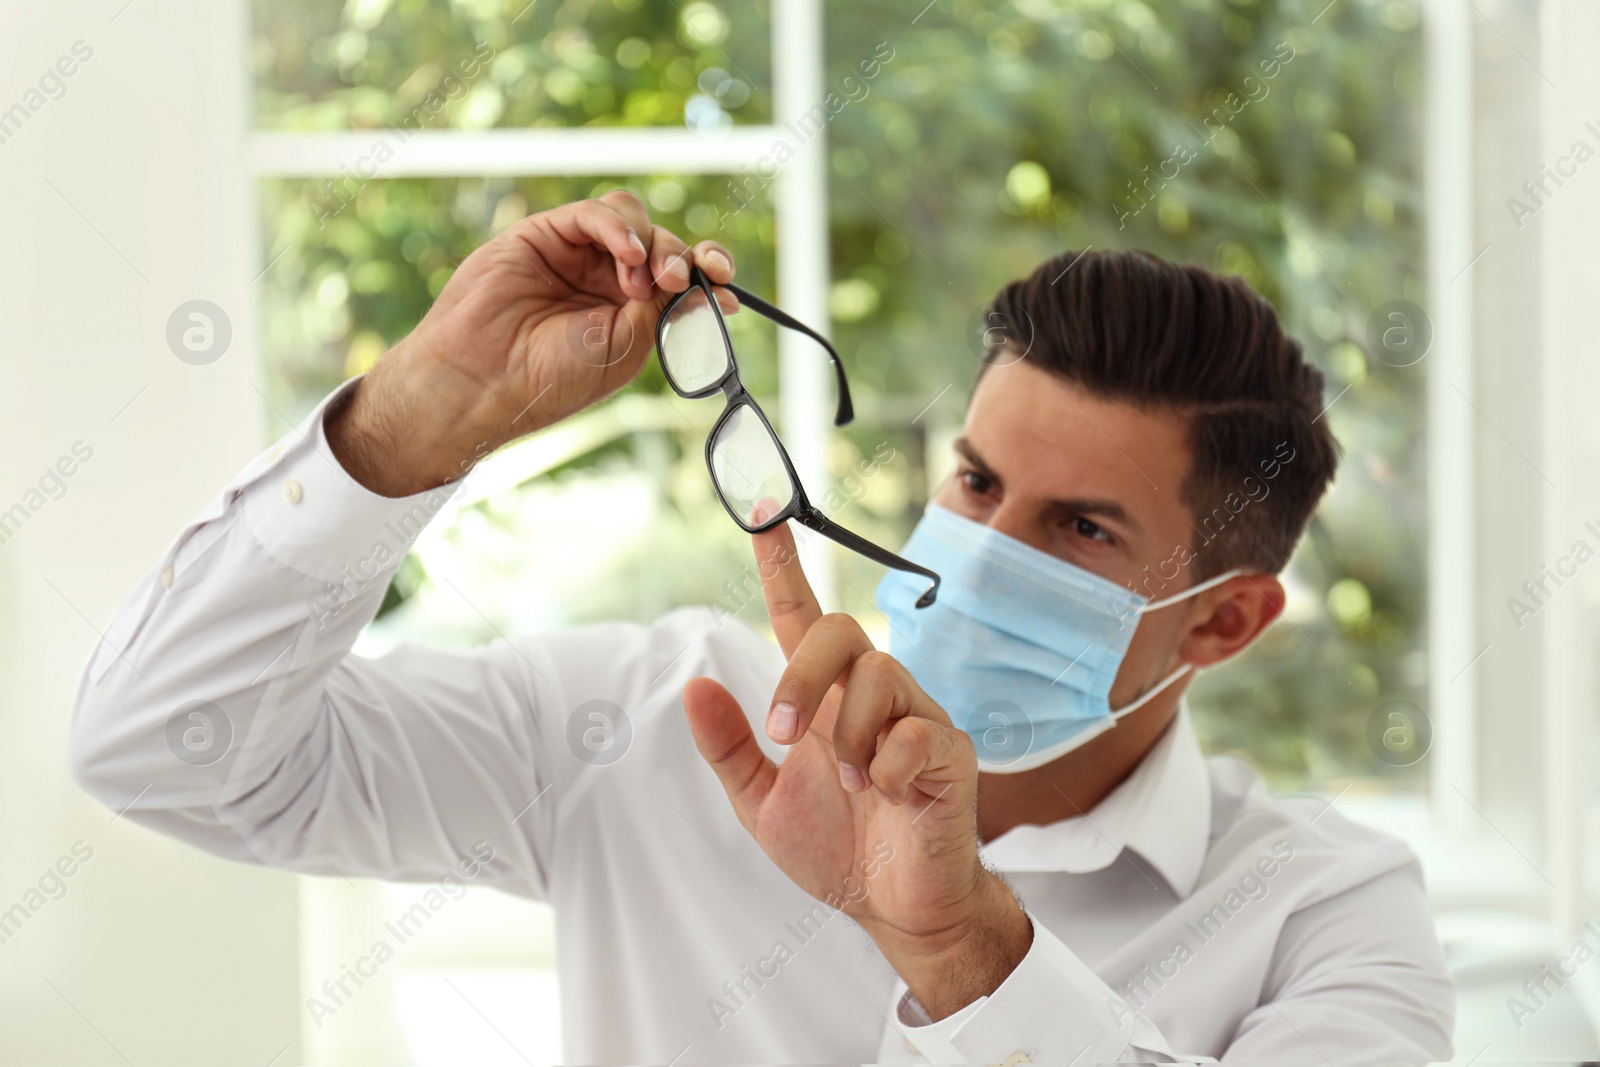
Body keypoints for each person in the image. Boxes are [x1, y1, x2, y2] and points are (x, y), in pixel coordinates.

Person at [69, 191, 1454, 1062]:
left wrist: (961, 949)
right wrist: (422, 414)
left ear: (1223, 624)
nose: (975, 552)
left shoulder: (1326, 915)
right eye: (973, 482)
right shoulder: (673, 719)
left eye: (1078, 530)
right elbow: (158, 750)